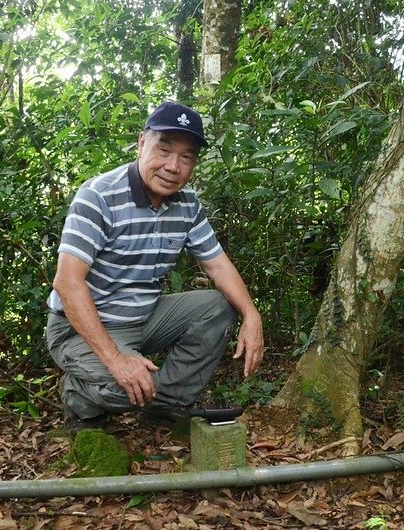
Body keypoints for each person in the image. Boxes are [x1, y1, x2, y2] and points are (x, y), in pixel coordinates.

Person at [45, 101, 263, 430]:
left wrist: (252, 314)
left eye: (186, 156)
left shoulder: (187, 203)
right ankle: (82, 397)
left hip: (143, 319)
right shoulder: (99, 196)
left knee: (220, 305)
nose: (173, 166)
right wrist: (117, 361)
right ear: (141, 144)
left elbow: (217, 265)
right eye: (164, 150)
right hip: (78, 328)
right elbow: (67, 283)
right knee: (130, 386)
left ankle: (163, 408)